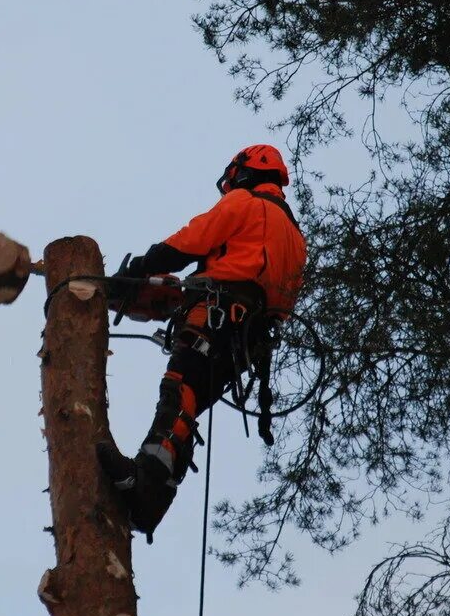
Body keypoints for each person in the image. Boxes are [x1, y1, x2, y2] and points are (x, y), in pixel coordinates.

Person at [97, 144, 308, 540]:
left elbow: (188, 243)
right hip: (249, 343)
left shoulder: (244, 203)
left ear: (246, 172)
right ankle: (152, 502)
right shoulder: (295, 237)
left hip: (219, 316)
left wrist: (140, 269)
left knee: (178, 389)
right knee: (188, 404)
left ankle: (145, 482)